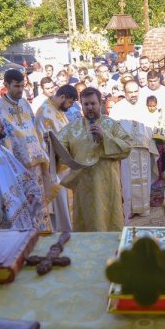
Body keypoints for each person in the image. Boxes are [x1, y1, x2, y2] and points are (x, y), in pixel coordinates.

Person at [55, 87, 132, 231]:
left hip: (107, 184)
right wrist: (50, 141)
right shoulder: (72, 127)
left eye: (93, 104)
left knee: (108, 223)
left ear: (100, 104)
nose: (89, 107)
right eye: (86, 104)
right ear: (81, 105)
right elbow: (58, 147)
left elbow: (127, 147)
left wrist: (105, 138)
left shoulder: (111, 125)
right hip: (83, 186)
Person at [0, 67, 51, 230]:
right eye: (16, 86)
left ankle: (42, 234)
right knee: (23, 207)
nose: (20, 90)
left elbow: (34, 128)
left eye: (22, 86)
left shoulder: (25, 104)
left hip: (35, 165)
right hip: (15, 168)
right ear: (6, 85)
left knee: (39, 204)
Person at [112, 79, 160, 219]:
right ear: (125, 93)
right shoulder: (117, 108)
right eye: (130, 92)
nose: (133, 95)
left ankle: (143, 208)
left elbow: (151, 127)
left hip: (143, 150)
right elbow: (113, 129)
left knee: (144, 179)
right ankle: (130, 210)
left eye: (135, 91)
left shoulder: (144, 107)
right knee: (127, 181)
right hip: (127, 152)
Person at [34, 84, 77, 231]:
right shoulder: (44, 113)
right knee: (61, 209)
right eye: (70, 102)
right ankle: (64, 234)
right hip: (56, 169)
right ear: (63, 97)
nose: (70, 106)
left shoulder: (56, 109)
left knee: (67, 206)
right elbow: (42, 144)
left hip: (66, 166)